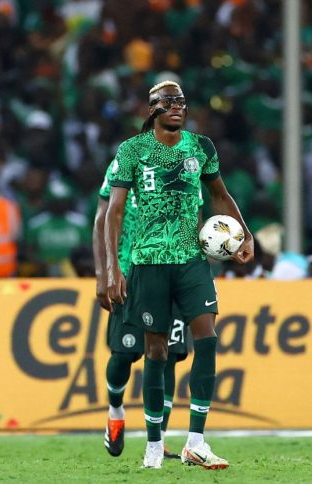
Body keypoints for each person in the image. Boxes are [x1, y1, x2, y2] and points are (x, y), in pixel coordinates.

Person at [105, 80, 254, 470]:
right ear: (153, 108)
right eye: (169, 102)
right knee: (156, 352)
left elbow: (220, 194)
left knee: (207, 337)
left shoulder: (200, 147)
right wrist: (110, 269)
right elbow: (113, 212)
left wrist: (245, 233)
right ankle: (154, 446)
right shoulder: (132, 150)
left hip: (191, 260)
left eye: (183, 102)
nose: (178, 107)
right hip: (149, 262)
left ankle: (196, 441)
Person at [94, 163, 189, 460]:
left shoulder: (188, 159)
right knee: (123, 354)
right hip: (130, 272)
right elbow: (101, 218)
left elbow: (194, 216)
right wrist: (104, 271)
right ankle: (115, 411)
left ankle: (158, 441)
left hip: (173, 270)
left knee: (170, 355)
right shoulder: (127, 159)